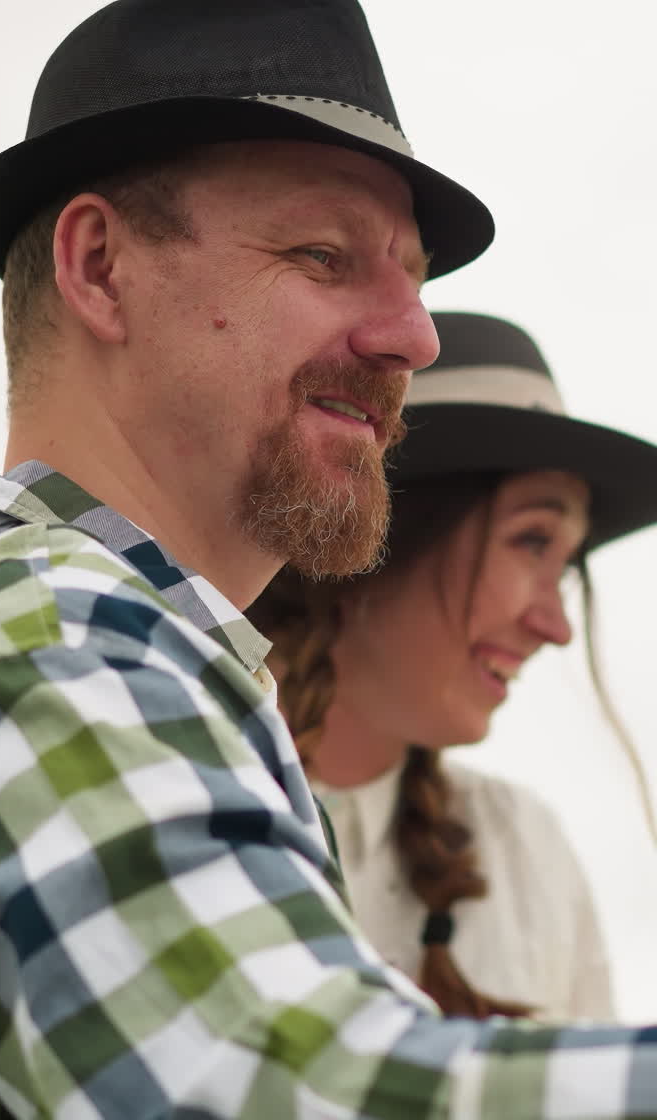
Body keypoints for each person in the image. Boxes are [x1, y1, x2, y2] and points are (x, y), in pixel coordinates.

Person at [0, 2, 657, 1120]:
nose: (413, 336)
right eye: (325, 256)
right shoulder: (47, 633)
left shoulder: (127, 648)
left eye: (416, 279)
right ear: (99, 267)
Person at [250, 311, 657, 1024]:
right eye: (532, 541)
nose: (555, 626)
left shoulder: (528, 854)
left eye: (565, 568)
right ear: (382, 530)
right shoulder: (182, 783)